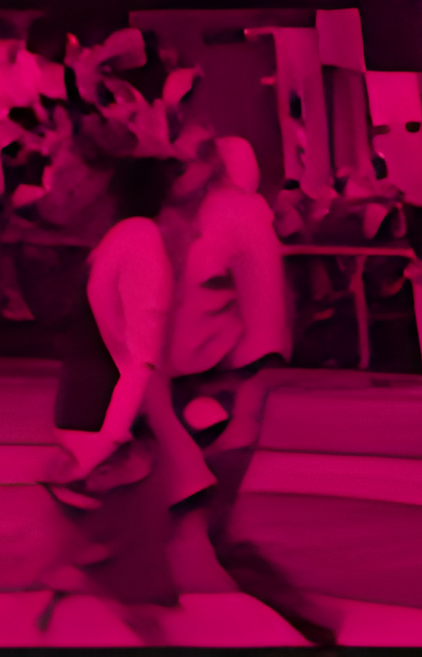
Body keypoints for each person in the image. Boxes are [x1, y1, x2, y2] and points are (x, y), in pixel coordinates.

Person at [167, 136, 336, 647]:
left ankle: (308, 621)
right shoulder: (180, 215)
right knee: (166, 521)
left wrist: (246, 408)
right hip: (183, 386)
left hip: (216, 389)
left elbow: (265, 322)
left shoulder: (236, 216)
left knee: (199, 525)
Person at [40, 151, 192, 644]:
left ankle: (68, 579)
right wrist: (114, 435)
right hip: (105, 410)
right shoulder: (142, 244)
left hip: (87, 402)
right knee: (135, 565)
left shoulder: (116, 241)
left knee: (120, 543)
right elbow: (140, 354)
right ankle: (75, 579)